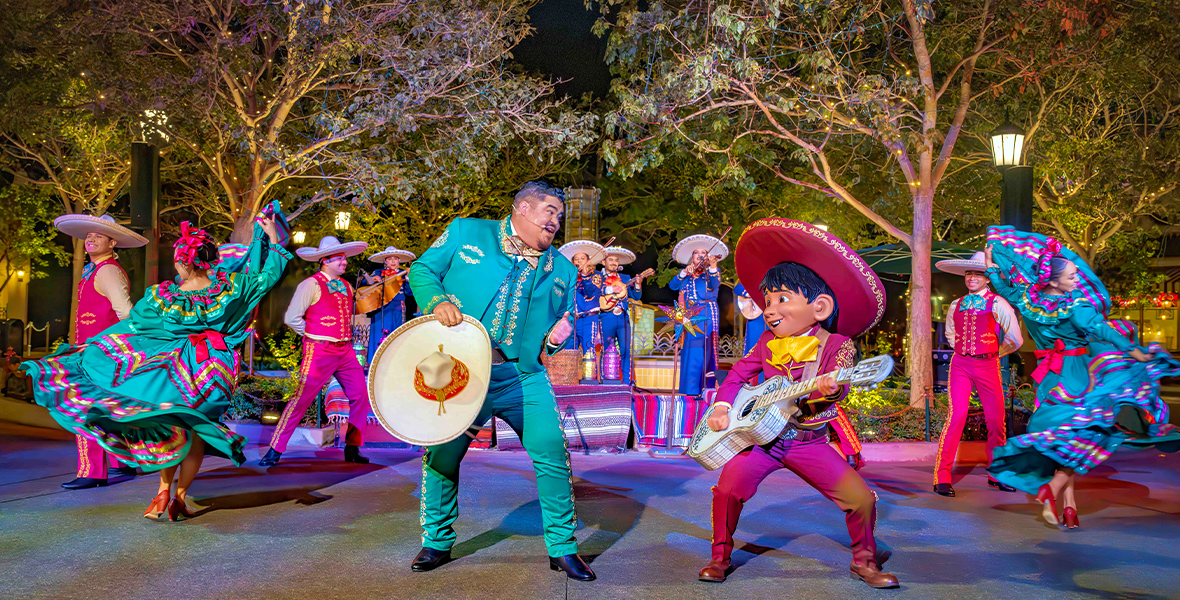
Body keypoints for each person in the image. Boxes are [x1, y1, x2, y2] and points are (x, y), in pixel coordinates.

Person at [22, 208, 291, 521]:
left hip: (174, 369)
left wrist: (93, 346)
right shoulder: (233, 287)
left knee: (172, 428)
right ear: (209, 260)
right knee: (196, 431)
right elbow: (269, 276)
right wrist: (272, 239)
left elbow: (134, 326)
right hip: (211, 371)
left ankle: (163, 491)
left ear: (181, 261)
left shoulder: (166, 296)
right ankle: (179, 497)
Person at [406, 180, 594, 581]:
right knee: (442, 457)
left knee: (552, 454)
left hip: (521, 377)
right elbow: (422, 269)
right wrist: (436, 301)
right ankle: (436, 542)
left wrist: (558, 336)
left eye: (559, 216)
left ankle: (562, 548)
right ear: (523, 209)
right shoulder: (466, 231)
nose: (556, 222)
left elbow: (563, 319)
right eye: (550, 212)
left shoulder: (562, 268)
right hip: (460, 373)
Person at [698, 218, 897, 588]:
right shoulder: (764, 344)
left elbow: (838, 392)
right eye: (768, 301)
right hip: (763, 441)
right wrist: (723, 408)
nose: (770, 309)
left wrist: (829, 387)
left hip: (810, 442)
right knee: (727, 490)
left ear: (819, 307)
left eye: (782, 299)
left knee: (861, 500)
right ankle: (719, 557)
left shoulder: (837, 345)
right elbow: (737, 376)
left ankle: (865, 563)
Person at [983, 226, 1179, 528]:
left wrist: (991, 265)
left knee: (1060, 439)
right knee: (1094, 430)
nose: (1077, 281)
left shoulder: (1028, 300)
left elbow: (1003, 287)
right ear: (1053, 279)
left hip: (1047, 377)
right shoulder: (1076, 306)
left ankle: (1070, 507)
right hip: (1076, 377)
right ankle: (1054, 487)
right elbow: (1102, 329)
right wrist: (1134, 351)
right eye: (1072, 277)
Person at [50, 214, 147, 490]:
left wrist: (116, 347)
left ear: (112, 242)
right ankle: (122, 461)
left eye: (98, 236)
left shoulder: (106, 270)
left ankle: (91, 471)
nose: (90, 239)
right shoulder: (95, 269)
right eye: (89, 235)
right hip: (94, 353)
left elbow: (126, 312)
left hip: (100, 354)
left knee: (85, 408)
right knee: (106, 408)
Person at [261, 236, 373, 467]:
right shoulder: (310, 284)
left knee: (361, 395)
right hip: (320, 350)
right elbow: (292, 318)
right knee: (301, 399)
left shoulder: (345, 286)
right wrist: (315, 334)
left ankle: (352, 447)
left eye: (344, 258)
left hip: (345, 350)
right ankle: (275, 448)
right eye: (340, 258)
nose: (345, 262)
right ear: (325, 260)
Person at [932, 251, 1024, 497]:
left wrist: (995, 352)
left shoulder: (998, 303)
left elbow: (1016, 339)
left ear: (988, 278)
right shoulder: (956, 304)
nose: (972, 277)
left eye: (978, 273)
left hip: (988, 365)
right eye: (969, 273)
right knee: (957, 417)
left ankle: (998, 474)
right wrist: (962, 349)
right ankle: (942, 477)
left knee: (996, 420)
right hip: (960, 365)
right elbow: (951, 334)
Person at [669, 235, 725, 395]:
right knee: (690, 350)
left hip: (707, 313)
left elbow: (715, 285)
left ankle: (706, 389)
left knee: (705, 351)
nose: (700, 255)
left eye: (703, 252)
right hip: (688, 316)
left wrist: (713, 266)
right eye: (696, 253)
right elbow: (673, 286)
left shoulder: (711, 273)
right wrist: (682, 273)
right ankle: (689, 389)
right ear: (692, 258)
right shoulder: (686, 275)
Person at [598, 246, 649, 383]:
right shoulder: (598, 277)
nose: (614, 263)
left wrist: (638, 284)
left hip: (623, 317)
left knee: (626, 349)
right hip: (606, 316)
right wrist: (610, 290)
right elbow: (594, 292)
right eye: (611, 260)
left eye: (616, 260)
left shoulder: (625, 278)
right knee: (606, 348)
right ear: (603, 262)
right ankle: (605, 379)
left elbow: (636, 296)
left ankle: (626, 381)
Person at [362, 246, 415, 366]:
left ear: (399, 261)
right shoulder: (378, 273)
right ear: (385, 261)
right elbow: (365, 283)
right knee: (378, 334)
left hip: (398, 309)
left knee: (396, 335)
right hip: (381, 308)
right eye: (389, 259)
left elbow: (409, 293)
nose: (392, 261)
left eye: (395, 259)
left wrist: (408, 278)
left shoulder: (403, 274)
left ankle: (395, 364)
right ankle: (375, 363)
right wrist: (370, 280)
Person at [560, 240, 604, 373]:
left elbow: (591, 293)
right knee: (567, 352)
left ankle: (588, 382)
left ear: (589, 261)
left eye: (582, 259)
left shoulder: (596, 276)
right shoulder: (570, 278)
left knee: (588, 351)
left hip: (588, 320)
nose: (579, 261)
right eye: (576, 259)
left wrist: (585, 276)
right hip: (572, 320)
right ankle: (567, 380)